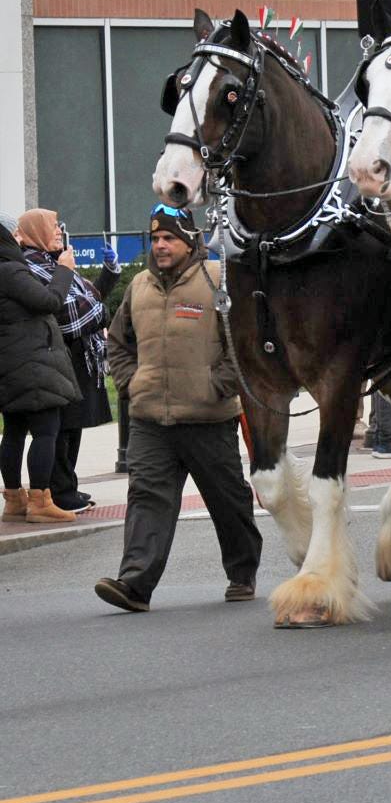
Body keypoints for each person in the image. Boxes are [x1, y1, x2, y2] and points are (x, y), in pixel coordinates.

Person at [94, 205, 261, 613]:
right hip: (151, 419)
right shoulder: (139, 286)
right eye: (155, 239)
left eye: (169, 238)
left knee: (228, 501)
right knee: (147, 498)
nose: (160, 245)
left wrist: (218, 384)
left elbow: (246, 341)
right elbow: (117, 342)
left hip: (208, 417)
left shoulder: (218, 280)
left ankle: (242, 573)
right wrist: (132, 382)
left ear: (190, 241)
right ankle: (135, 585)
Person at [13, 209, 119, 514]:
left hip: (76, 354)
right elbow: (65, 313)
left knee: (74, 426)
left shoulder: (53, 262)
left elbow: (89, 296)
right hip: (58, 354)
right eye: (51, 226)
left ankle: (68, 485)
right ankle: (58, 491)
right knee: (61, 428)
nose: (59, 230)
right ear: (34, 231)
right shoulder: (32, 267)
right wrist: (99, 311)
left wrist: (108, 273)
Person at [0, 212, 81, 525]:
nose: (20, 239)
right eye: (16, 234)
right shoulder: (10, 271)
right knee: (46, 430)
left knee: (15, 430)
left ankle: (14, 499)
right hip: (30, 363)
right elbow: (49, 301)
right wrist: (64, 270)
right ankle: (39, 500)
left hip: (12, 362)